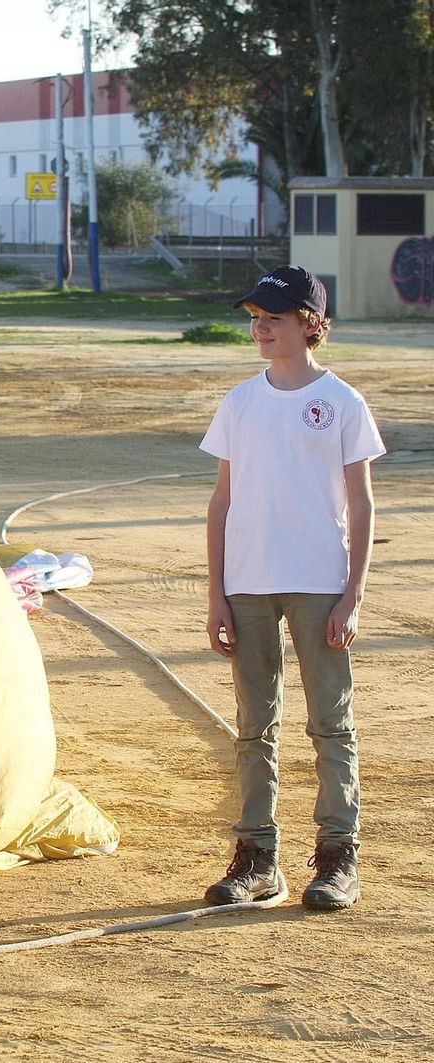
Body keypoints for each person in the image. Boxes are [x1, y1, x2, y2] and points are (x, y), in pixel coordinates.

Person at [200, 265, 384, 912]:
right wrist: (217, 592)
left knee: (330, 725)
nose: (260, 327)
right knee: (255, 725)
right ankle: (257, 858)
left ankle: (339, 858)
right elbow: (221, 501)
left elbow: (361, 504)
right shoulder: (240, 402)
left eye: (272, 317)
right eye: (254, 317)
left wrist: (353, 593)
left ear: (310, 324)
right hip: (248, 585)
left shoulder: (341, 403)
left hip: (319, 585)